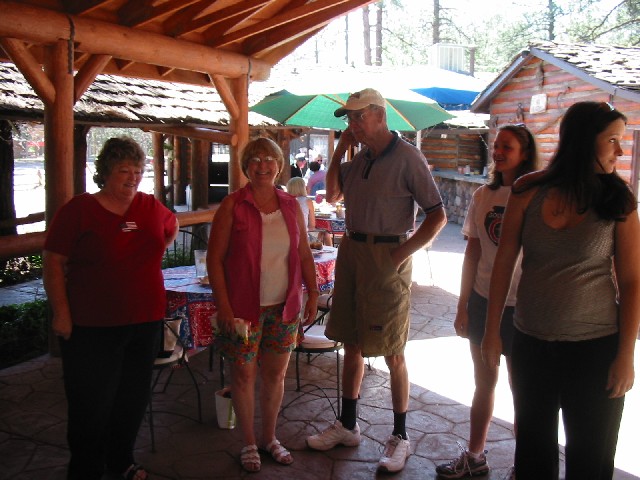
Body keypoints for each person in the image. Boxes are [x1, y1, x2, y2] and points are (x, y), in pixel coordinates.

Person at [482, 102, 640, 480]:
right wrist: (491, 332)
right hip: (531, 345)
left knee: (591, 459)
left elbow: (633, 282)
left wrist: (625, 355)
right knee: (533, 454)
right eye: (613, 140)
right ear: (584, 141)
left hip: (595, 350)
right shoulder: (527, 191)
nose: (620, 151)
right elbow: (504, 263)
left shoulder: (618, 200)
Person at [306, 88, 447, 473]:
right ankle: (348, 425)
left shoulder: (408, 158)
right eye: (349, 119)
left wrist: (400, 255)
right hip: (352, 251)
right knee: (351, 342)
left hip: (388, 255)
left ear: (380, 116)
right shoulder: (360, 158)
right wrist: (340, 148)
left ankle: (400, 436)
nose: (353, 124)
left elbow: (437, 215)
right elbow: (332, 193)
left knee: (392, 349)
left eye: (358, 117)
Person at [43, 136, 179, 480]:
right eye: (124, 170)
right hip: (91, 326)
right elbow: (53, 262)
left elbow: (171, 226)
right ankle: (85, 470)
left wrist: (152, 255)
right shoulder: (79, 210)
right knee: (90, 404)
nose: (133, 177)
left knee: (132, 400)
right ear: (105, 172)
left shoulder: (149, 205)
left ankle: (121, 461)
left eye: (138, 170)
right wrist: (61, 313)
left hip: (145, 320)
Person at [207, 137, 319, 472]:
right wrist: (224, 308)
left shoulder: (290, 205)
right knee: (243, 375)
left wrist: (313, 293)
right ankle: (248, 443)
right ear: (245, 166)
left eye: (269, 159)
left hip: (284, 307)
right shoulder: (233, 205)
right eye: (255, 159)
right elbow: (214, 259)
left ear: (279, 165)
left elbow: (303, 252)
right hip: (243, 310)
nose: (262, 165)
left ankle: (270, 438)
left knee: (275, 375)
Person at [436, 125, 540, 479]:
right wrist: (462, 304)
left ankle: (525, 464)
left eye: (507, 146)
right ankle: (475, 455)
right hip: (483, 300)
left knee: (522, 390)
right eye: (496, 145)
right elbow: (473, 251)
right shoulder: (483, 195)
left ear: (525, 153)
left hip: (523, 305)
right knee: (483, 383)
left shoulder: (536, 195)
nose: (498, 152)